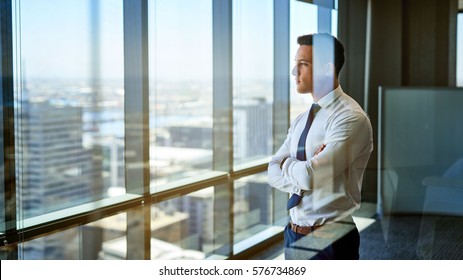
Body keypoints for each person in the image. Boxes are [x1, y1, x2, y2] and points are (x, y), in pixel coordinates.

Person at [268, 33, 373, 260]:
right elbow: (272, 172)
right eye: (295, 64)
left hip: (331, 239)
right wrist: (300, 167)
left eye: (303, 64)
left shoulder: (350, 118)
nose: (294, 72)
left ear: (327, 69)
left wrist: (288, 163)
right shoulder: (302, 120)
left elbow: (310, 177)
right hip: (294, 234)